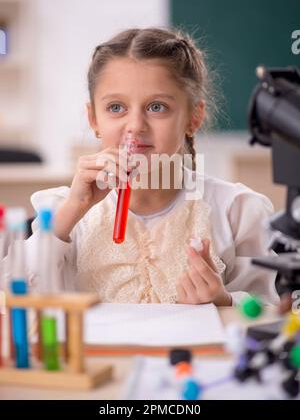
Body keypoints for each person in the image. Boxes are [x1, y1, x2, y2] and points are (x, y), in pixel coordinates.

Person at [12, 27, 280, 306]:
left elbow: (275, 314)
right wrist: (69, 213)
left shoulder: (235, 211)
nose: (136, 126)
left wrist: (224, 302)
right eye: (116, 107)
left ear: (193, 117)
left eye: (156, 107)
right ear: (93, 119)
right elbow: (14, 297)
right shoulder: (66, 213)